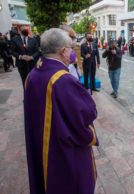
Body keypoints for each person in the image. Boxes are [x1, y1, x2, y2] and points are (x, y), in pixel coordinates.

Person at [24, 28, 99, 194]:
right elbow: (87, 112)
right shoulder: (61, 80)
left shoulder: (32, 75)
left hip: (41, 144)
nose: (73, 52)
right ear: (63, 51)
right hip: (61, 153)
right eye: (71, 48)